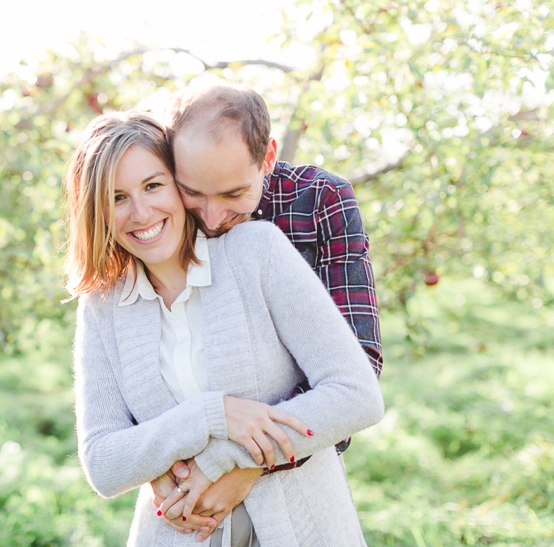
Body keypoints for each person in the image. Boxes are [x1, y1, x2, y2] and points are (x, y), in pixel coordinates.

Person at [65, 110, 384, 546]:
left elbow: (356, 395)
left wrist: (226, 459)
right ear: (95, 209)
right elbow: (103, 463)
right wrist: (210, 415)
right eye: (116, 197)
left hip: (304, 529)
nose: (141, 212)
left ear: (180, 185)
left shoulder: (257, 253)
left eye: (153, 186)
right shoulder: (102, 305)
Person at [149, 83, 384, 540]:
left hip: (297, 479)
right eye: (193, 192)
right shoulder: (162, 213)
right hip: (187, 486)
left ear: (269, 157)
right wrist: (157, 462)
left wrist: (248, 464)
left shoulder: (321, 202)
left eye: (234, 194)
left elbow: (360, 364)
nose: (212, 218)